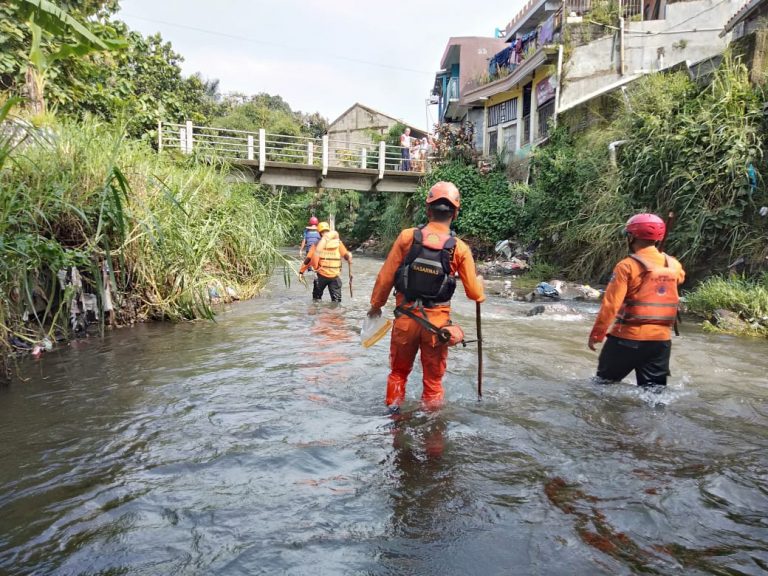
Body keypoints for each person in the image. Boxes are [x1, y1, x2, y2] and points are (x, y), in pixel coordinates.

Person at [367, 181, 485, 412]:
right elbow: (474, 294)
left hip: (405, 320)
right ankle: (433, 437)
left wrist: (376, 306)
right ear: (455, 213)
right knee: (433, 383)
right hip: (436, 327)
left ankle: (394, 422)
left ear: (428, 210)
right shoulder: (459, 248)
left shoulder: (407, 237)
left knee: (398, 373)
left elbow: (385, 277)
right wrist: (480, 287)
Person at [588, 213, 685, 388]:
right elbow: (679, 280)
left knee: (602, 387)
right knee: (653, 393)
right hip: (661, 342)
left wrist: (597, 334)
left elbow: (611, 305)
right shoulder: (674, 265)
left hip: (626, 339)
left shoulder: (626, 266)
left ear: (632, 237)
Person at [299, 221, 352, 302]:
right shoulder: (338, 243)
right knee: (336, 301)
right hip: (335, 277)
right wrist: (349, 257)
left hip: (321, 276)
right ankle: (335, 314)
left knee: (316, 300)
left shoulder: (316, 244)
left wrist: (301, 272)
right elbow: (345, 255)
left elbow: (308, 259)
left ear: (319, 233)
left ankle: (316, 313)